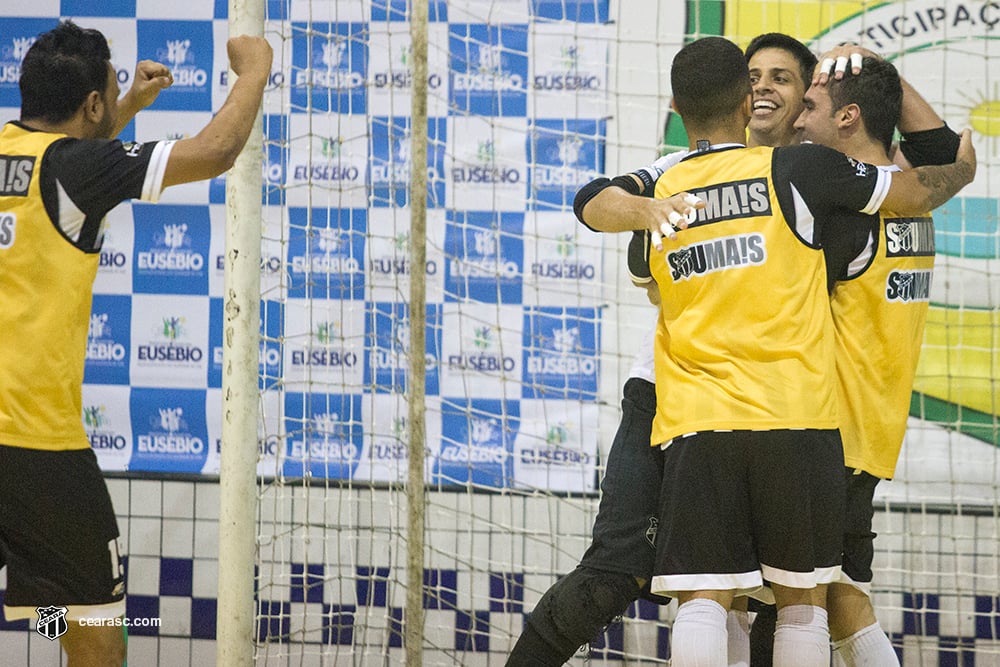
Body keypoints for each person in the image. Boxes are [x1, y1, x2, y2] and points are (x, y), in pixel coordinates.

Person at [584, 35, 972, 666]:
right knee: (813, 603)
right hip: (824, 423)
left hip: (736, 420)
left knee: (718, 599)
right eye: (760, 84)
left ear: (677, 106)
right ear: (743, 98)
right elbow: (927, 177)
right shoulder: (830, 186)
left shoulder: (684, 189)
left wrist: (658, 216)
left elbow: (604, 216)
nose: (790, 113)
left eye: (805, 100)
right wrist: (960, 165)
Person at [0, 20, 272, 666]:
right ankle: (71, 630)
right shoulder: (73, 171)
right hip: (37, 448)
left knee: (47, 610)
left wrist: (123, 110)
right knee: (102, 637)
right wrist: (255, 70)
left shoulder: (27, 158)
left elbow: (62, 174)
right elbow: (216, 150)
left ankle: (51, 620)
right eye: (110, 92)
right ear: (89, 104)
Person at [794, 53, 960, 667]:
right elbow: (941, 144)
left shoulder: (848, 216)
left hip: (827, 434)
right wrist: (882, 73)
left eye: (810, 106)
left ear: (848, 117)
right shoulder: (911, 195)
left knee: (799, 601)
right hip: (872, 438)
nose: (799, 120)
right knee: (844, 598)